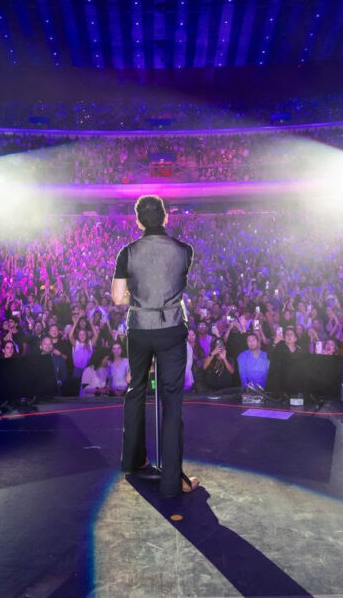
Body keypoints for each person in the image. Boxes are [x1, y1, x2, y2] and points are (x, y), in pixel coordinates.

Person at [112, 195, 198, 496]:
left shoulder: (128, 252)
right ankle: (173, 482)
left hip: (139, 328)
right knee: (172, 401)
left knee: (136, 389)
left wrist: (136, 299)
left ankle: (133, 461)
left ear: (137, 221)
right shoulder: (185, 250)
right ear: (166, 217)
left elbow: (117, 297)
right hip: (172, 328)